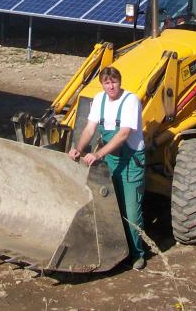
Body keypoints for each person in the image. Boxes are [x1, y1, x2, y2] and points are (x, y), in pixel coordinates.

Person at [67, 66, 148, 269]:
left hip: (131, 162)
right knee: (110, 205)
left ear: (120, 82)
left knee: (131, 210)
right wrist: (78, 148)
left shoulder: (130, 101)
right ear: (102, 84)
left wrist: (97, 154)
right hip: (111, 160)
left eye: (114, 82)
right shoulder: (99, 100)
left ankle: (137, 254)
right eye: (107, 83)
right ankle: (116, 249)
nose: (111, 86)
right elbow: (90, 128)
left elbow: (123, 134)